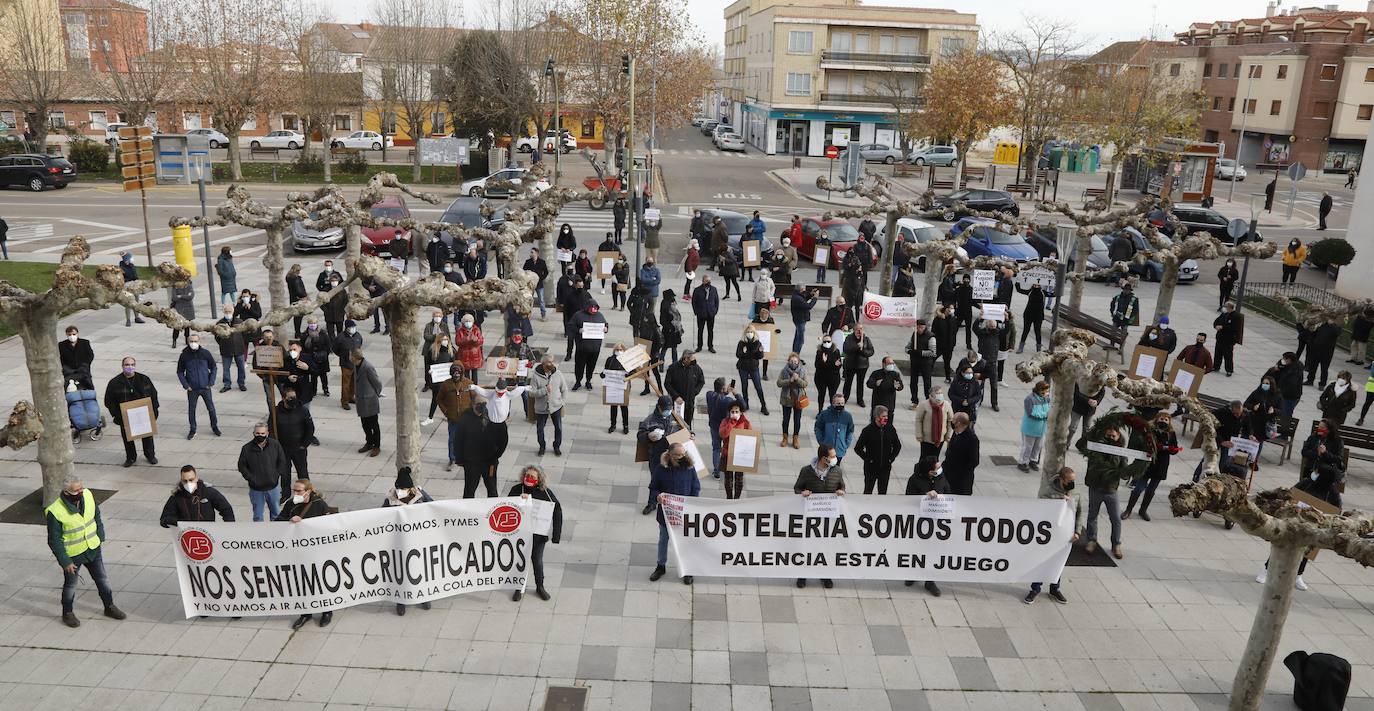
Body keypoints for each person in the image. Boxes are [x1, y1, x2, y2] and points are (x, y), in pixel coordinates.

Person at [47, 475, 125, 628]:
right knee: (70, 585)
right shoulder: (55, 511)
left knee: (102, 579)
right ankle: (67, 613)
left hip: (93, 549)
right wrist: (65, 561)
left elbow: (96, 515)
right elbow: (54, 540)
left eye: (81, 488)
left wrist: (100, 535)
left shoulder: (88, 495)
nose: (80, 492)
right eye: (76, 490)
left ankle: (109, 606)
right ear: (66, 492)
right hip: (73, 555)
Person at [1023, 467, 1082, 605]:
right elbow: (1041, 503)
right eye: (1069, 480)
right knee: (1042, 560)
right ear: (1062, 479)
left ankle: (1055, 588)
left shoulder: (1076, 492)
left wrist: (1078, 532)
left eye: (1074, 480)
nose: (1072, 483)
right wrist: (1061, 499)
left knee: (1058, 562)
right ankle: (1035, 588)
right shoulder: (1049, 490)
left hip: (1064, 534)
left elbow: (1079, 512)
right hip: (1047, 533)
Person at [279, 479, 333, 628]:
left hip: (317, 551)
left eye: (299, 491)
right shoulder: (291, 504)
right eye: (294, 490)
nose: (295, 493)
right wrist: (289, 521)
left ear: (308, 491)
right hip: (298, 552)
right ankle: (306, 613)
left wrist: (303, 522)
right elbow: (279, 520)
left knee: (321, 581)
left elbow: (329, 525)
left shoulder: (319, 504)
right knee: (302, 583)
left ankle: (326, 611)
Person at [793, 445, 845, 588]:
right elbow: (797, 488)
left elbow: (842, 486)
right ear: (823, 458)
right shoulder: (806, 471)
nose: (835, 459)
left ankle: (825, 575)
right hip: (810, 518)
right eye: (832, 456)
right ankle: (802, 575)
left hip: (828, 519)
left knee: (826, 547)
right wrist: (802, 493)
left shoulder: (837, 471)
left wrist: (841, 491)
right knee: (807, 546)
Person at [649, 443, 700, 584]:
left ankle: (687, 570)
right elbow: (653, 487)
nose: (681, 457)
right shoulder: (660, 469)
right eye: (677, 455)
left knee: (685, 542)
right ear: (670, 455)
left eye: (682, 454)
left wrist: (691, 504)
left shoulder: (689, 468)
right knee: (663, 540)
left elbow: (695, 487)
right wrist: (657, 496)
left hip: (684, 513)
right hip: (666, 514)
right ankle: (661, 566)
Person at [510, 465, 562, 601]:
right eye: (527, 475)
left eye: (532, 476)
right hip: (519, 535)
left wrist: (556, 535)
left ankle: (540, 586)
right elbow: (507, 506)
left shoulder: (545, 493)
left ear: (539, 479)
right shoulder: (516, 490)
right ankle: (518, 588)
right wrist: (518, 501)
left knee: (537, 561)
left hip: (538, 537)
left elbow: (557, 511)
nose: (529, 478)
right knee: (520, 562)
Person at [1083, 426, 1131, 560]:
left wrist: (1128, 471)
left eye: (1113, 436)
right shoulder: (1095, 447)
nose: (1110, 439)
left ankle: (1116, 544)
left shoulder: (1120, 452)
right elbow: (1081, 444)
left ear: (1118, 437)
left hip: (1111, 489)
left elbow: (1125, 474)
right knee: (1092, 515)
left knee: (1115, 519)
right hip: (1095, 487)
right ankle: (1091, 540)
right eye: (1108, 436)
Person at [904, 456, 949, 596]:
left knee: (932, 551)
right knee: (916, 550)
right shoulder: (915, 479)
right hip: (919, 522)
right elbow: (909, 497)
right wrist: (924, 496)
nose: (938, 471)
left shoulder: (941, 477)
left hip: (936, 523)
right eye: (934, 469)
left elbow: (948, 491)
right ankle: (912, 574)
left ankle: (930, 581)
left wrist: (941, 497)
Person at [1122, 413, 1178, 522]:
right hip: (1148, 463)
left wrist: (1171, 449)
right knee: (1138, 489)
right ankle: (1128, 510)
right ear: (1157, 419)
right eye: (1161, 418)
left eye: (1166, 419)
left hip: (1161, 464)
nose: (1163, 421)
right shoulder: (1149, 430)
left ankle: (1143, 510)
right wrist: (1155, 447)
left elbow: (1174, 447)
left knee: (1151, 490)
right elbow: (1143, 444)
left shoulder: (1171, 433)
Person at [105, 356, 159, 467]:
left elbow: (153, 395)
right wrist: (117, 414)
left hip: (143, 412)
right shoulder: (115, 382)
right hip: (125, 415)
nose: (130, 367)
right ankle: (131, 457)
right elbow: (109, 401)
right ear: (122, 366)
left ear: (135, 366)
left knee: (147, 436)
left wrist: (154, 411)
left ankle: (150, 455)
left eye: (132, 365)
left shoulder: (144, 379)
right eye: (127, 365)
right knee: (127, 438)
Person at [238, 421, 287, 520]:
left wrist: (276, 475)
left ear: (267, 433)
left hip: (273, 487)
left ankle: (276, 534)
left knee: (276, 514)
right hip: (256, 489)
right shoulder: (246, 448)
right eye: (257, 433)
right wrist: (250, 478)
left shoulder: (275, 445)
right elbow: (242, 466)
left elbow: (282, 461)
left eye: (262, 433)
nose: (260, 435)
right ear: (253, 433)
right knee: (257, 516)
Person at [160, 464, 235, 528]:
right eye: (185, 481)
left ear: (196, 478)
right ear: (181, 480)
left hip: (208, 533)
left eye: (191, 480)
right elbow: (164, 519)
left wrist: (229, 528)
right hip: (187, 535)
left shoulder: (208, 492)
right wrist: (179, 522)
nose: (188, 483)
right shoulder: (176, 497)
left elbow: (226, 509)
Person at [176, 332, 221, 439]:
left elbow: (214, 367)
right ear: (188, 342)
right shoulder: (184, 355)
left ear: (199, 341)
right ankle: (193, 429)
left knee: (211, 408)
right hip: (192, 389)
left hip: (205, 387)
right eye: (191, 341)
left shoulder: (205, 353)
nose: (193, 343)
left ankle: (215, 427)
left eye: (195, 341)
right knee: (192, 410)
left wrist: (211, 382)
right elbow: (180, 372)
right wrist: (186, 385)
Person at [854, 406, 901, 494]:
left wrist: (891, 458)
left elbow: (897, 446)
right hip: (871, 468)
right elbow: (858, 448)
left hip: (885, 468)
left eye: (886, 416)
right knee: (868, 490)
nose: (886, 418)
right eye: (883, 416)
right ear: (877, 417)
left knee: (882, 492)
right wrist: (868, 459)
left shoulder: (890, 429)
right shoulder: (867, 430)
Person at [531, 355, 569, 456]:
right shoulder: (535, 376)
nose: (551, 364)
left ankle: (556, 446)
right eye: (549, 362)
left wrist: (562, 402)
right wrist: (544, 390)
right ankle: (542, 447)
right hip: (541, 408)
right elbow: (531, 393)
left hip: (556, 406)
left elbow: (564, 389)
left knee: (558, 428)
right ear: (543, 364)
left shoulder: (558, 374)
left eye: (552, 361)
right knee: (540, 429)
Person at [351, 349, 383, 457]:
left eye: (351, 356)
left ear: (355, 358)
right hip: (361, 400)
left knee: (374, 424)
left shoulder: (368, 367)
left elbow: (377, 383)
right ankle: (369, 442)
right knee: (365, 424)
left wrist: (376, 394)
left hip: (370, 401)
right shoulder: (356, 366)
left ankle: (376, 446)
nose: (350, 358)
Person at [718, 401, 753, 499]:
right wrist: (731, 423)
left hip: (739, 455)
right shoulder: (725, 421)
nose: (734, 413)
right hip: (727, 454)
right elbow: (722, 434)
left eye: (736, 411)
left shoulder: (745, 423)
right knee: (728, 478)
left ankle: (737, 498)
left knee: (739, 479)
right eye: (732, 411)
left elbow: (750, 437)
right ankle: (729, 497)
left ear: (741, 412)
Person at [570, 303, 608, 390]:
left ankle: (588, 381)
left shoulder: (599, 315)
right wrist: (578, 330)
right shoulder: (578, 315)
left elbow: (605, 324)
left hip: (595, 348)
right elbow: (571, 326)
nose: (593, 310)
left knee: (591, 366)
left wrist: (605, 329)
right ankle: (578, 381)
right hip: (582, 347)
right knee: (579, 366)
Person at [776, 352, 808, 449]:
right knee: (786, 419)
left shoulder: (802, 371)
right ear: (788, 361)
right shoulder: (784, 371)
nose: (793, 363)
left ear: (798, 362)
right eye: (791, 361)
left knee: (797, 420)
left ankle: (795, 438)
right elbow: (779, 383)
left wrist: (797, 379)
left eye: (795, 361)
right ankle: (785, 438)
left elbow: (805, 384)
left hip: (798, 399)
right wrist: (789, 381)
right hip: (787, 398)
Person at [665, 350, 705, 428]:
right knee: (675, 423)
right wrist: (675, 396)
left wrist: (694, 392)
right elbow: (667, 383)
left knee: (688, 424)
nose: (694, 360)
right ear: (686, 359)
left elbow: (701, 381)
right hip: (676, 403)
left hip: (689, 402)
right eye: (691, 358)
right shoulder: (673, 368)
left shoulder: (696, 368)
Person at [1018, 381, 1051, 472]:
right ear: (1039, 390)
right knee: (1028, 447)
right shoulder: (1029, 399)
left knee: (1038, 446)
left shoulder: (1047, 399)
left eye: (1047, 391)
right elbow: (1031, 413)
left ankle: (1033, 460)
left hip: (1041, 429)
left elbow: (1050, 409)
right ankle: (1023, 462)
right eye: (1044, 391)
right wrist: (1046, 415)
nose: (1046, 393)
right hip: (1030, 428)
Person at [942, 412, 979, 495]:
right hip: (949, 475)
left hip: (961, 480)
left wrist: (961, 473)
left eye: (953, 420)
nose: (951, 421)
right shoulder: (956, 432)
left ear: (958, 423)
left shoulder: (972, 439)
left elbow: (974, 461)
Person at [735, 325, 768, 414]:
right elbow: (738, 354)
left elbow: (759, 356)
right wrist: (747, 353)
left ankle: (763, 405)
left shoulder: (757, 343)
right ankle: (745, 403)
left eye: (751, 332)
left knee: (758, 387)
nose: (750, 334)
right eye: (748, 332)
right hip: (743, 367)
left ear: (754, 333)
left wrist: (759, 352)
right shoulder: (741, 343)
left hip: (753, 368)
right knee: (744, 386)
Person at [915, 386, 953, 460]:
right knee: (924, 458)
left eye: (941, 393)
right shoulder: (924, 405)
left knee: (935, 458)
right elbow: (919, 420)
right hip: (926, 439)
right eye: (937, 393)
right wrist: (919, 434)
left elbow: (950, 420)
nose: (939, 395)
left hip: (940, 438)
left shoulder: (946, 404)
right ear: (931, 395)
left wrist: (948, 435)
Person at [814, 394, 855, 461]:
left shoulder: (847, 416)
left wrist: (846, 444)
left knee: (836, 470)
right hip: (826, 450)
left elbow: (850, 431)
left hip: (840, 450)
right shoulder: (824, 414)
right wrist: (821, 442)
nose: (841, 405)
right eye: (838, 403)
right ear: (833, 403)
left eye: (842, 403)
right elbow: (818, 428)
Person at [842, 325, 875, 408]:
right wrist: (857, 346)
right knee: (848, 382)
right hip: (850, 365)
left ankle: (860, 399)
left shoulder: (866, 339)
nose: (859, 331)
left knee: (860, 383)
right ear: (854, 330)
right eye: (857, 329)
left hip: (862, 365)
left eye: (861, 329)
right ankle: (845, 397)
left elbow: (871, 351)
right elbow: (846, 349)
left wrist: (863, 350)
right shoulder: (849, 338)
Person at [865, 356, 904, 422]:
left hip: (889, 404)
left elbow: (900, 387)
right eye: (889, 363)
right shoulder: (876, 373)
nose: (891, 365)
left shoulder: (895, 374)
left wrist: (898, 386)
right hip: (877, 402)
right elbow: (869, 384)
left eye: (892, 363)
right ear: (883, 364)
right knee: (875, 422)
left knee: (888, 423)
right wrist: (876, 383)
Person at [334, 320, 363, 409]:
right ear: (347, 328)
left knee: (354, 382)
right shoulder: (341, 337)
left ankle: (351, 397)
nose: (353, 329)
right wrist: (343, 356)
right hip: (346, 363)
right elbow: (335, 349)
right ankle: (344, 401)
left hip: (356, 363)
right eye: (351, 327)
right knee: (346, 384)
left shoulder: (358, 335)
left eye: (354, 327)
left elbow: (360, 345)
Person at [1267, 351, 1305, 418]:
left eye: (1284, 359)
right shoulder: (1282, 364)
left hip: (1289, 396)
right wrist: (1276, 369)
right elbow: (1271, 376)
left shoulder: (1296, 369)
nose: (1282, 360)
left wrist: (1279, 392)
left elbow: (1291, 384)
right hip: (1280, 394)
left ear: (1289, 360)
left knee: (1285, 415)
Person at [1305, 320, 1342, 388]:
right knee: (1313, 366)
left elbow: (1337, 333)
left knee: (1324, 368)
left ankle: (1322, 384)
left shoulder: (1336, 326)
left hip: (1327, 351)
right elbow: (1313, 333)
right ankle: (1310, 380)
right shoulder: (1321, 324)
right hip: (1316, 349)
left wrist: (1332, 324)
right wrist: (1311, 342)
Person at [59, 325, 95, 390]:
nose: (72, 336)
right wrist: (65, 367)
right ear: (67, 335)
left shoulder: (84, 343)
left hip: (83, 370)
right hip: (69, 372)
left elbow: (90, 355)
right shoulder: (62, 345)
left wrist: (85, 365)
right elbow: (60, 358)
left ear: (77, 334)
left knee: (88, 387)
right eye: (69, 335)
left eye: (74, 334)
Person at [691, 274, 719, 353]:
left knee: (710, 331)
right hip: (701, 313)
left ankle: (710, 346)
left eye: (709, 281)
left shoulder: (714, 289)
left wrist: (715, 311)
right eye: (707, 281)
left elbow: (716, 301)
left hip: (711, 313)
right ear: (703, 281)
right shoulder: (697, 290)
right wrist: (696, 311)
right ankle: (699, 346)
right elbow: (694, 302)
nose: (708, 282)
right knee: (700, 330)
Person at [1016, 282, 1046, 353]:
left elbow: (1054, 294)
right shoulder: (1030, 291)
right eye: (1035, 284)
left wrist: (1058, 285)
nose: (1036, 286)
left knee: (1037, 331)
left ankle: (1038, 349)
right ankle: (1021, 347)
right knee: (1025, 331)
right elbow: (1019, 290)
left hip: (1038, 316)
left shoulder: (1043, 293)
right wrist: (1018, 281)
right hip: (1028, 315)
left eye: (1038, 285)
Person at [454, 314, 484, 383]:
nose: (468, 323)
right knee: (466, 373)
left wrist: (475, 340)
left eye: (469, 321)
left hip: (475, 355)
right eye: (466, 321)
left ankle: (475, 387)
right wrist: (466, 340)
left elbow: (481, 341)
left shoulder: (476, 330)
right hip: (465, 356)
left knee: (475, 373)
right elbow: (458, 342)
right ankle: (467, 386)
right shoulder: (460, 331)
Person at [1213, 302, 1241, 377]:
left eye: (1225, 306)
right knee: (1218, 353)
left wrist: (1222, 327)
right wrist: (1216, 326)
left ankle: (1229, 370)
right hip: (1220, 338)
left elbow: (1234, 327)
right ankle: (1216, 367)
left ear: (1230, 307)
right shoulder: (1224, 314)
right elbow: (1216, 321)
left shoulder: (1236, 316)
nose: (1224, 308)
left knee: (1228, 355)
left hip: (1228, 340)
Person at [814, 335, 842, 407]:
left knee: (832, 396)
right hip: (821, 378)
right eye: (825, 341)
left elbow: (838, 365)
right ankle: (820, 411)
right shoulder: (820, 352)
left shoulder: (836, 351)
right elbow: (817, 365)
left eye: (828, 341)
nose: (827, 343)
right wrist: (824, 362)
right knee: (821, 395)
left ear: (831, 342)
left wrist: (831, 364)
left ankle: (832, 411)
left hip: (833, 378)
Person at [660, 290, 685, 363]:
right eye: (672, 296)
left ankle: (675, 363)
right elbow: (662, 321)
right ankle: (661, 362)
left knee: (674, 348)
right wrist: (669, 328)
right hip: (668, 331)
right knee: (665, 347)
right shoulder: (665, 307)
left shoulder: (671, 305)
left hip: (674, 330)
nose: (673, 298)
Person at [120, 252, 145, 326]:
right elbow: (125, 277)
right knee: (128, 303)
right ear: (127, 259)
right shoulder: (122, 268)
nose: (132, 259)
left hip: (134, 286)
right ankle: (128, 320)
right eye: (131, 258)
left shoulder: (132, 266)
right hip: (126, 288)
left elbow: (135, 276)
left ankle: (137, 317)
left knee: (136, 302)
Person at [170, 281, 196, 348]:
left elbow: (191, 296)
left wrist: (180, 296)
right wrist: (185, 296)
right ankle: (174, 340)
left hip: (188, 308)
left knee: (187, 326)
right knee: (177, 326)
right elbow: (174, 297)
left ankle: (187, 339)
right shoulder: (175, 286)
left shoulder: (189, 285)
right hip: (179, 308)